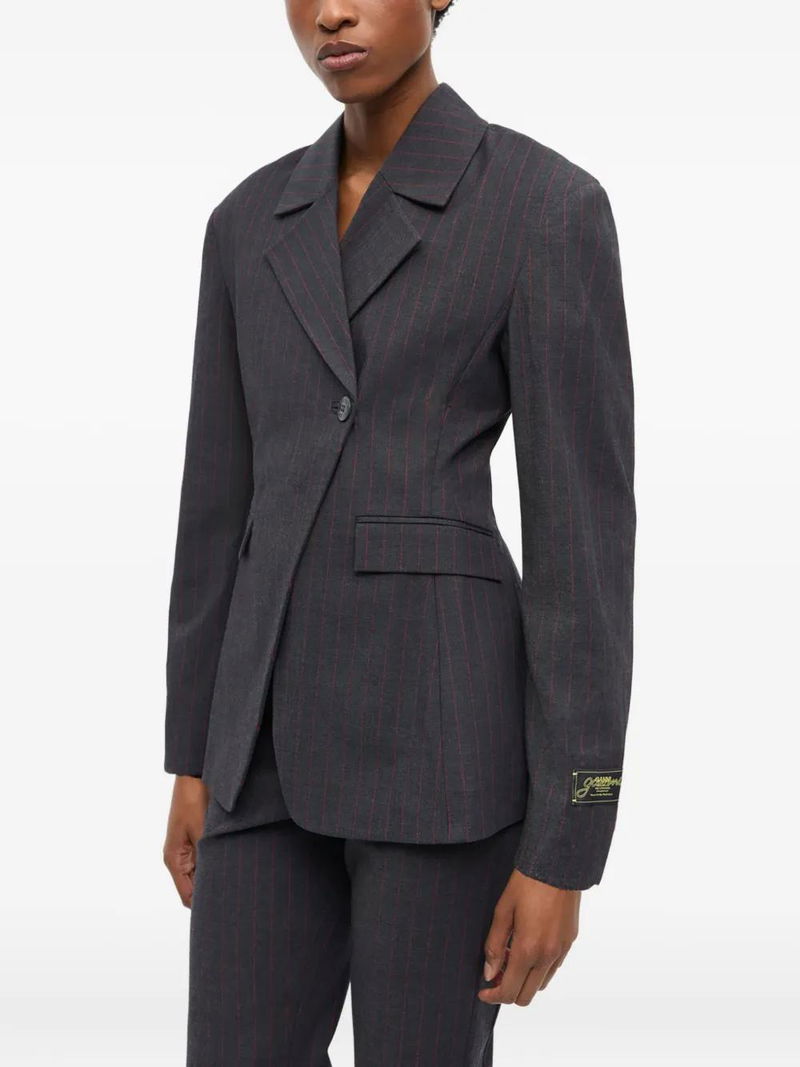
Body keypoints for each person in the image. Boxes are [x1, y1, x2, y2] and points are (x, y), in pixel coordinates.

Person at [162, 1, 636, 1064]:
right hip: (258, 757)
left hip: (444, 755)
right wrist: (193, 754)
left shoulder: (542, 206)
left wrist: (566, 842)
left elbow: (584, 555)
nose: (331, 12)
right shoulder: (246, 222)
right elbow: (214, 511)